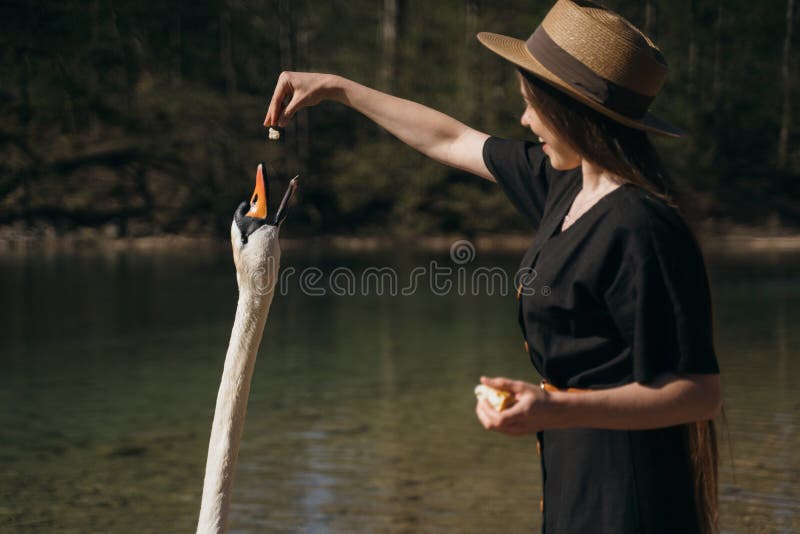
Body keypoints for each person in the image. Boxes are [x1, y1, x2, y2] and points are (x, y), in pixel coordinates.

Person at [263, 1, 722, 532]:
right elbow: (450, 138)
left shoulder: (643, 227)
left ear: (573, 110)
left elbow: (700, 394)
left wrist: (554, 409)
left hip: (629, 494)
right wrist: (339, 88)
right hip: (575, 468)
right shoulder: (566, 187)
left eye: (532, 105)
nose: (524, 120)